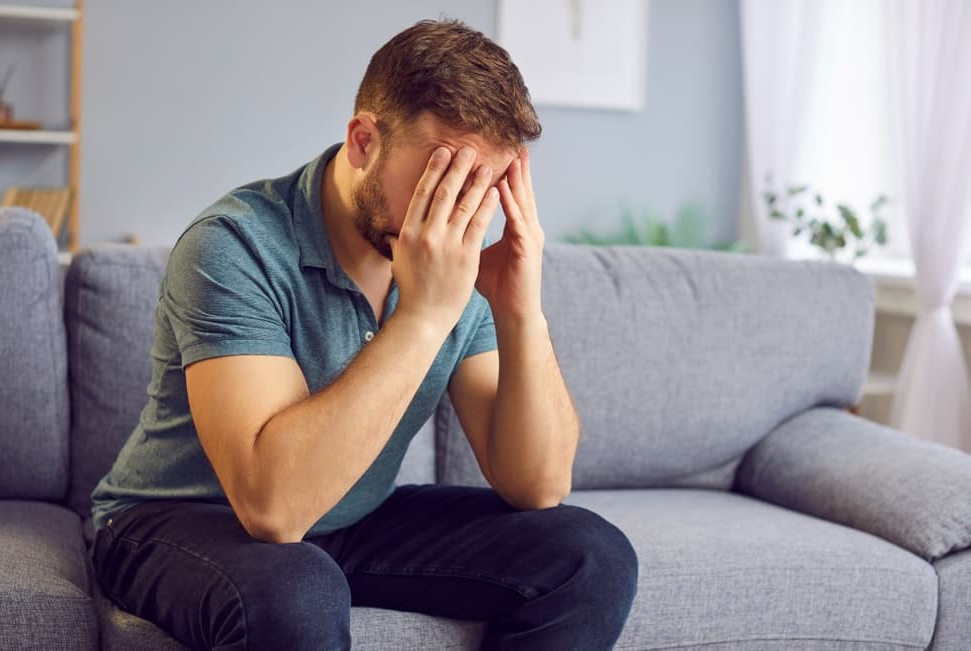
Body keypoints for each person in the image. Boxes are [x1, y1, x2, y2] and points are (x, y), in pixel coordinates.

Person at [90, 18, 638, 651]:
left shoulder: (458, 261)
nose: (456, 214)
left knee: (589, 555)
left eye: (479, 187)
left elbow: (537, 484)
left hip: (346, 521)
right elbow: (274, 508)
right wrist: (424, 316)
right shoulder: (234, 245)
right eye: (440, 178)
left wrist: (521, 311)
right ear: (362, 142)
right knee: (295, 585)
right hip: (177, 519)